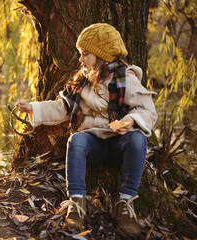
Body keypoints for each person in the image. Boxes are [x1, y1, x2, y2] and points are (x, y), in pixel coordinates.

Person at [15, 23, 158, 236]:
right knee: (76, 140)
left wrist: (129, 121)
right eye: (80, 54)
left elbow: (148, 110)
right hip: (93, 144)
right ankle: (77, 202)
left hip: (119, 144)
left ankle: (126, 205)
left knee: (138, 140)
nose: (80, 59)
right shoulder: (82, 80)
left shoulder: (125, 79)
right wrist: (33, 108)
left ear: (100, 56)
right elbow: (61, 108)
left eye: (85, 54)